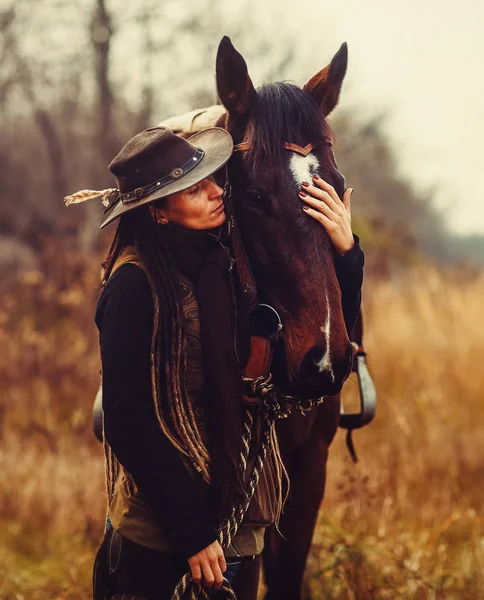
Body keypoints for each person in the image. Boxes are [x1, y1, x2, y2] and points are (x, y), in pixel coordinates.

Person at [73, 125, 363, 600]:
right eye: (193, 188)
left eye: (212, 178)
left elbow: (312, 369)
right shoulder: (132, 287)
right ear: (159, 213)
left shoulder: (226, 271)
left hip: (235, 523)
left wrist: (347, 255)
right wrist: (192, 534)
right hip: (161, 534)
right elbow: (128, 423)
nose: (215, 191)